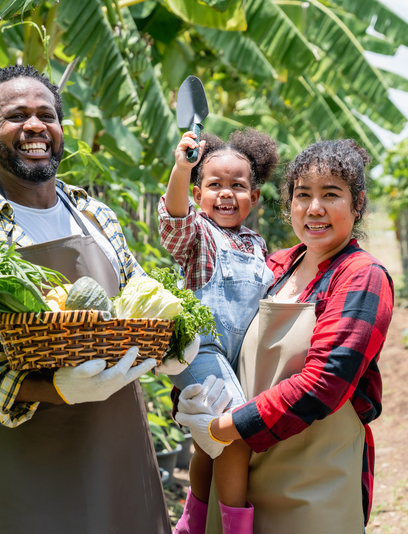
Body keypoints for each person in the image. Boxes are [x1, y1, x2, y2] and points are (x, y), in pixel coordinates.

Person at [0, 65, 189, 534]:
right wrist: (59, 390)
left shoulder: (95, 215)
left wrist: (176, 339)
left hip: (120, 448)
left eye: (47, 114)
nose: (35, 126)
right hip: (32, 464)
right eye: (16, 115)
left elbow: (138, 294)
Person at [175, 139, 395, 534]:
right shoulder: (271, 267)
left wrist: (221, 428)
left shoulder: (361, 277)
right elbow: (228, 342)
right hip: (239, 486)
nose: (314, 208)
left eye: (331, 195)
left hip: (310, 486)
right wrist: (194, 398)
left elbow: (324, 384)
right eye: (303, 195)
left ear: (357, 203)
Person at [159, 128, 279, 534]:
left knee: (207, 441)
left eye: (238, 186)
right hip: (200, 348)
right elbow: (174, 217)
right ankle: (234, 530)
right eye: (214, 185)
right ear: (198, 196)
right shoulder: (198, 235)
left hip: (238, 354)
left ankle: (193, 522)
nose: (226, 194)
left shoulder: (256, 244)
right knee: (235, 431)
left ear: (255, 197)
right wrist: (182, 168)